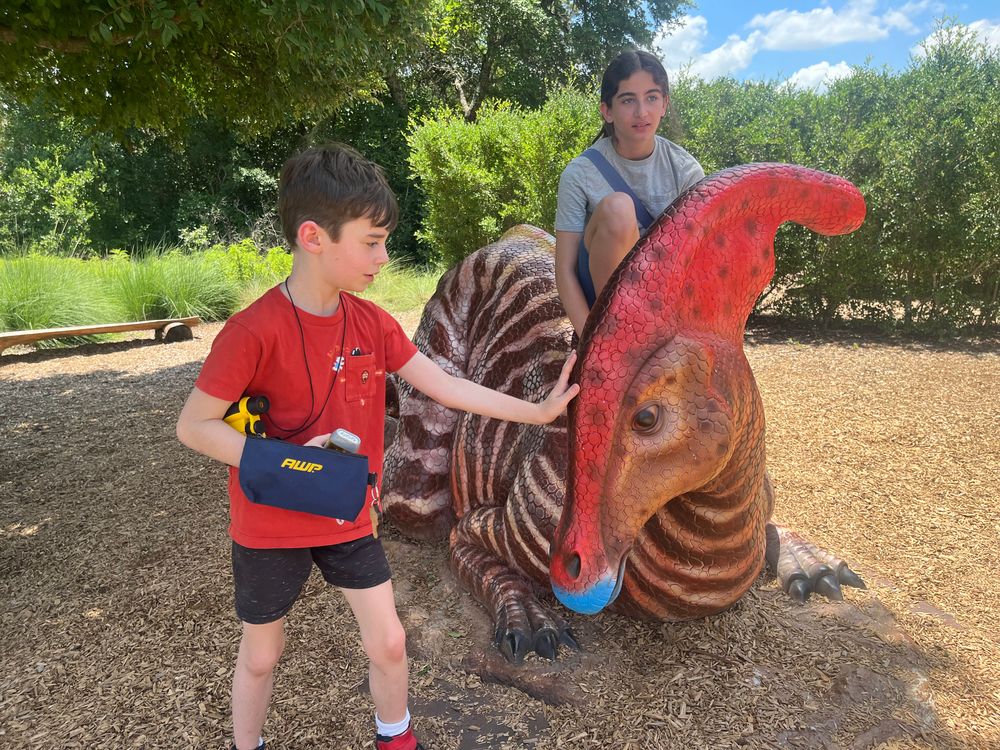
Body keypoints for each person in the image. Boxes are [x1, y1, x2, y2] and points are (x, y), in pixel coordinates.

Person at [175, 144, 579, 750]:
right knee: (262, 657)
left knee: (389, 641)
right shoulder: (251, 331)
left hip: (346, 515)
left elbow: (446, 386)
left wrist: (539, 410)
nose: (383, 257)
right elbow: (194, 426)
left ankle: (396, 739)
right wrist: (288, 459)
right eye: (371, 242)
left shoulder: (374, 326)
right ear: (314, 237)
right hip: (270, 525)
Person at [554, 49, 705, 337]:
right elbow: (565, 270)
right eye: (627, 100)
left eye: (651, 97)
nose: (641, 112)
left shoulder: (686, 171)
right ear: (607, 111)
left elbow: (696, 263)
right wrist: (591, 342)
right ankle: (616, 334)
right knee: (618, 209)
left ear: (664, 104)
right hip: (601, 310)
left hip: (662, 304)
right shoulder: (579, 173)